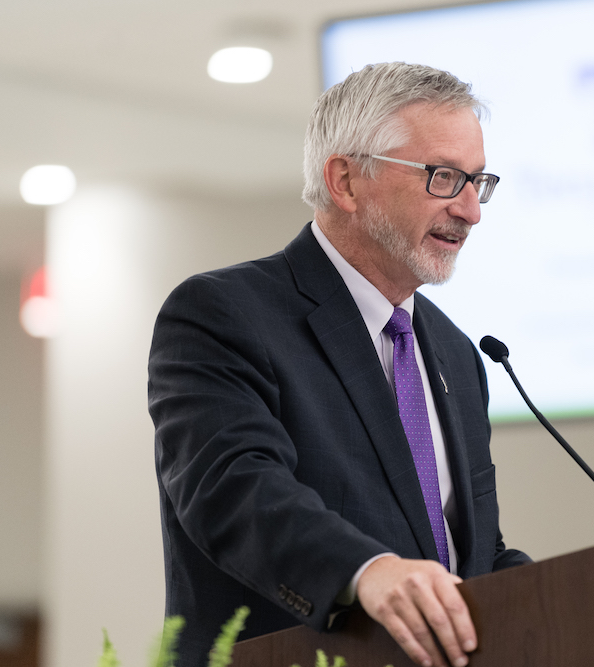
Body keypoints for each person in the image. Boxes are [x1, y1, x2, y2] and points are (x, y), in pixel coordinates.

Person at [148, 62, 530, 667]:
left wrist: (577, 598)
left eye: (478, 182)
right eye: (444, 177)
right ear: (347, 181)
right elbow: (235, 491)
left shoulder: (458, 353)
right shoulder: (222, 314)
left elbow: (470, 554)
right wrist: (366, 571)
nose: (470, 210)